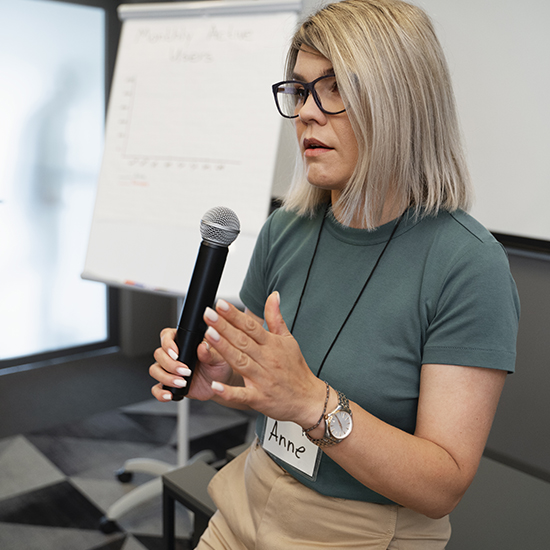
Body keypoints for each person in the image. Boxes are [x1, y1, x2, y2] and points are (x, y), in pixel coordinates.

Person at [149, 1, 520, 548]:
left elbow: (443, 485)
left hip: (360, 531)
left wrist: (311, 403)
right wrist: (216, 369)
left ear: (401, 102)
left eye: (335, 88)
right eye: (299, 90)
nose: (305, 112)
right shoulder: (287, 228)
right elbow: (253, 366)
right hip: (248, 497)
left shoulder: (466, 264)